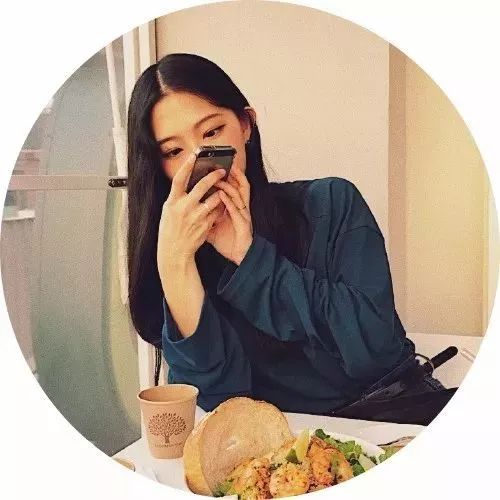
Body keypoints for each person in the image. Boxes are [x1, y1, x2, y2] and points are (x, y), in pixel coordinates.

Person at [126, 53, 448, 419]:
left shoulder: (331, 203)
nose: (196, 161)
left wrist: (249, 258)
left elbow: (376, 349)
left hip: (388, 417)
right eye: (173, 151)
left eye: (212, 133)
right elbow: (218, 404)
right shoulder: (184, 258)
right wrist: (175, 265)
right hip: (277, 443)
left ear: (246, 126)